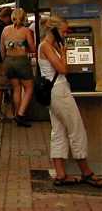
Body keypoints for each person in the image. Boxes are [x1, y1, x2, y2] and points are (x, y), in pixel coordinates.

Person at [38, 16, 102, 187]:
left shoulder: (49, 46)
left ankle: (61, 174)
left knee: (58, 132)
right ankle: (86, 172)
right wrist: (65, 53)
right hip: (59, 91)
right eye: (63, 31)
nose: (65, 34)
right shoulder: (46, 46)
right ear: (54, 30)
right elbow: (62, 69)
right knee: (76, 129)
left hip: (56, 92)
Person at [1, 8, 36, 127]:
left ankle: (16, 114)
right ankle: (21, 114)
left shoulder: (5, 30)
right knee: (29, 88)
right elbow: (32, 48)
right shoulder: (26, 31)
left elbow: (2, 48)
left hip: (8, 61)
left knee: (16, 88)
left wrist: (4, 60)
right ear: (24, 18)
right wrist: (26, 49)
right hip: (21, 61)